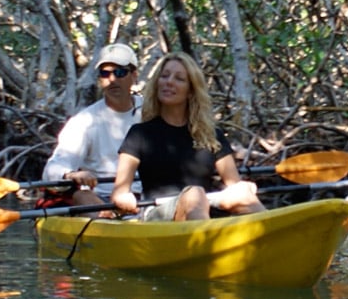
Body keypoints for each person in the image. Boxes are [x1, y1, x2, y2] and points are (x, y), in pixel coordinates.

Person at [112, 53, 264, 221]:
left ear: (191, 91)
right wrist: (123, 198)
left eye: (179, 79)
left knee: (241, 192)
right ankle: (204, 243)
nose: (169, 81)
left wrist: (244, 189)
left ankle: (278, 236)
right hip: (158, 213)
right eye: (164, 76)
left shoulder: (211, 135)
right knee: (195, 193)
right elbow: (120, 191)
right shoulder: (139, 133)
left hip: (202, 207)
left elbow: (233, 184)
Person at [42, 43, 143, 207]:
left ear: (134, 75)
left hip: (147, 198)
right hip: (101, 200)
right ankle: (106, 221)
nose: (112, 79)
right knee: (82, 195)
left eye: (120, 72)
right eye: (105, 73)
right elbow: (53, 168)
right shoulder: (84, 121)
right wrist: (70, 174)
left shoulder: (152, 111)